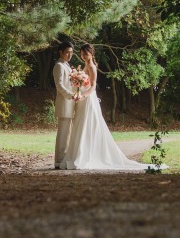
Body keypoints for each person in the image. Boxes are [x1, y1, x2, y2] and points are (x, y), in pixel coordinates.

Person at [59, 43, 162, 171]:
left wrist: (83, 95)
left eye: (85, 53)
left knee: (85, 124)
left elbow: (92, 87)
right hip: (82, 100)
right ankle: (78, 154)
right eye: (81, 53)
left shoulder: (91, 66)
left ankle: (84, 155)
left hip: (88, 99)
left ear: (91, 53)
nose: (83, 56)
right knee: (80, 125)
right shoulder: (85, 65)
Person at [52, 41, 76, 169]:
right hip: (64, 103)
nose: (69, 55)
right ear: (60, 52)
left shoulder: (66, 65)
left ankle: (64, 160)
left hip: (70, 103)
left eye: (71, 52)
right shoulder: (59, 66)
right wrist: (71, 95)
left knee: (68, 134)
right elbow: (59, 85)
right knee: (63, 134)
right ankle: (59, 161)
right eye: (67, 52)